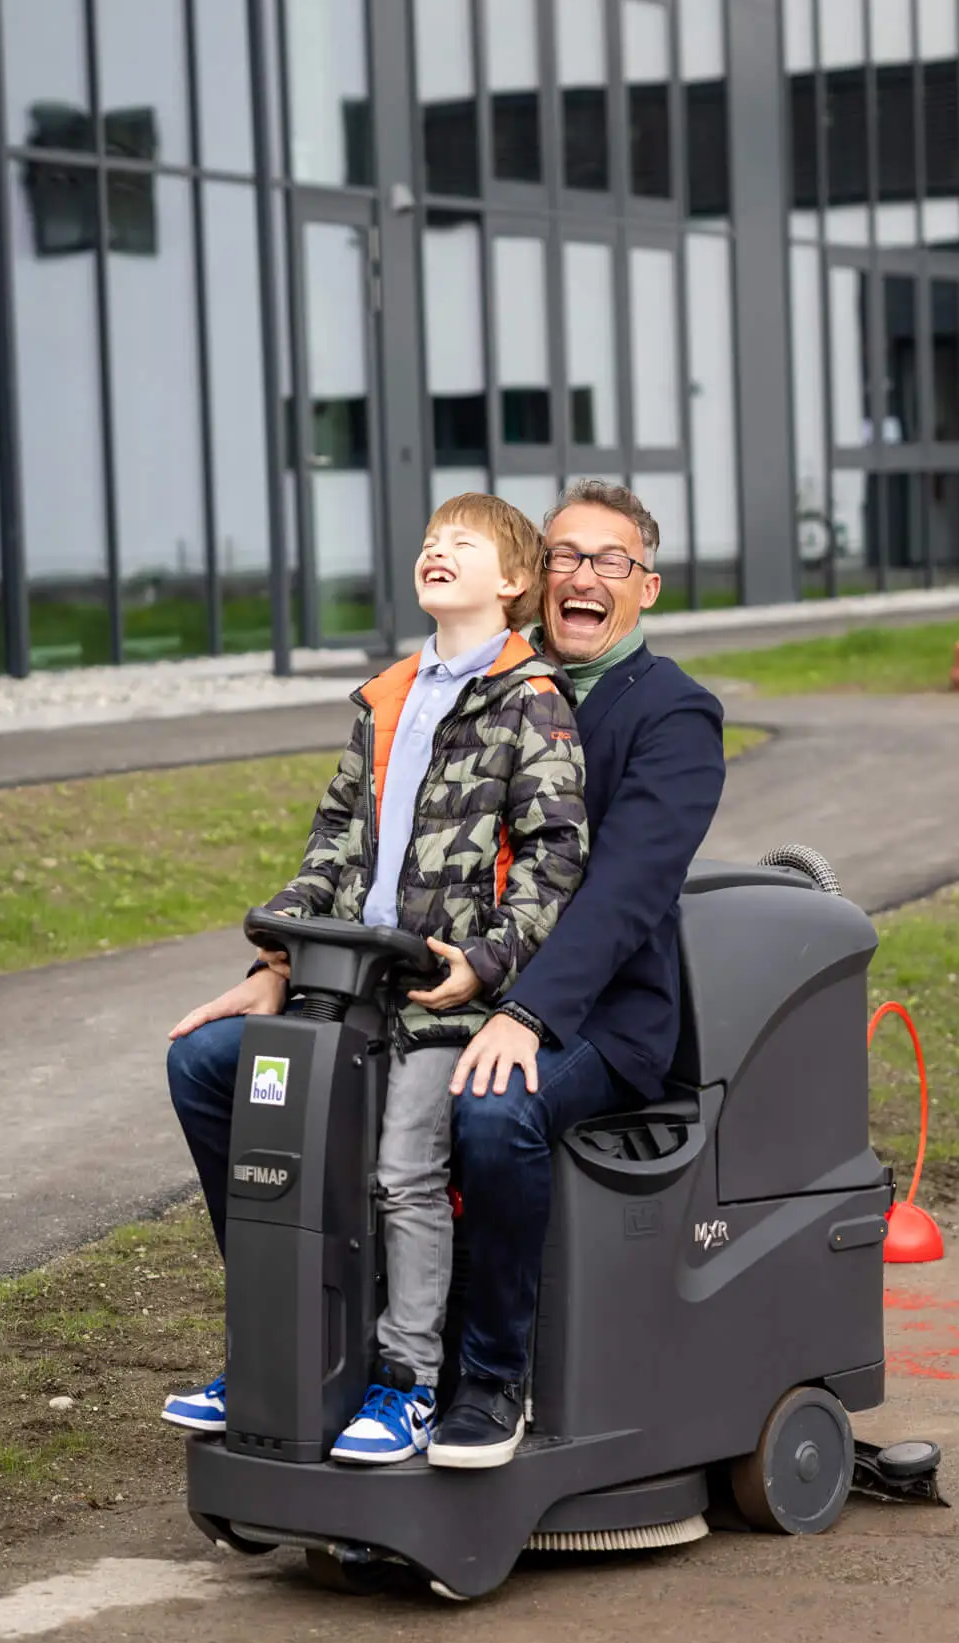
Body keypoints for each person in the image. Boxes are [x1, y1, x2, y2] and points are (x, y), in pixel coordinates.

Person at [161, 493, 587, 1467]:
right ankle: (286, 1353)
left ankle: (406, 1381)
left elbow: (557, 858)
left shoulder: (532, 699)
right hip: (347, 988)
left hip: (447, 999)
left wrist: (486, 962)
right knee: (298, 1161)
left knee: (402, 1175)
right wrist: (285, 928)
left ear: (512, 581)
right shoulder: (388, 695)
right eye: (429, 539)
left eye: (462, 544)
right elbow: (335, 836)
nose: (436, 550)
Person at [425, 480, 726, 1469]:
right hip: (465, 981)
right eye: (563, 555)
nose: (581, 575)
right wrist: (278, 963)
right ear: (532, 578)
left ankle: (490, 1379)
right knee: (228, 1069)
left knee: (489, 1108)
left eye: (609, 560)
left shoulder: (675, 715)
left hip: (600, 1017)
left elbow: (624, 893)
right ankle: (339, 1361)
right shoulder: (488, 686)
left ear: (647, 587)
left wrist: (528, 1015)